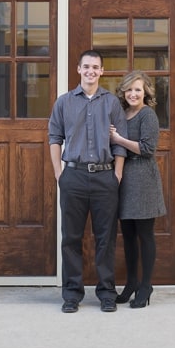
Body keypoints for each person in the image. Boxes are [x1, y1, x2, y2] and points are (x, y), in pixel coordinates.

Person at [48, 50, 127, 313]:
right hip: (74, 176)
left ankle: (106, 293)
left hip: (105, 177)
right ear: (78, 69)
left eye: (95, 67)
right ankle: (71, 294)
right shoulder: (64, 102)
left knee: (106, 237)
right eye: (86, 67)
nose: (91, 71)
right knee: (71, 237)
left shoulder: (112, 103)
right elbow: (54, 138)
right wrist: (60, 173)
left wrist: (116, 174)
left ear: (102, 71)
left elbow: (120, 144)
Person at [109, 70, 167, 309]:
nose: (133, 94)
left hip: (143, 179)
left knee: (145, 235)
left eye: (138, 90)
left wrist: (119, 140)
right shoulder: (122, 114)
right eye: (129, 89)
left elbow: (147, 148)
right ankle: (131, 283)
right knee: (129, 237)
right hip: (124, 180)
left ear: (146, 93)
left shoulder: (148, 115)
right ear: (123, 91)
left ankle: (146, 285)